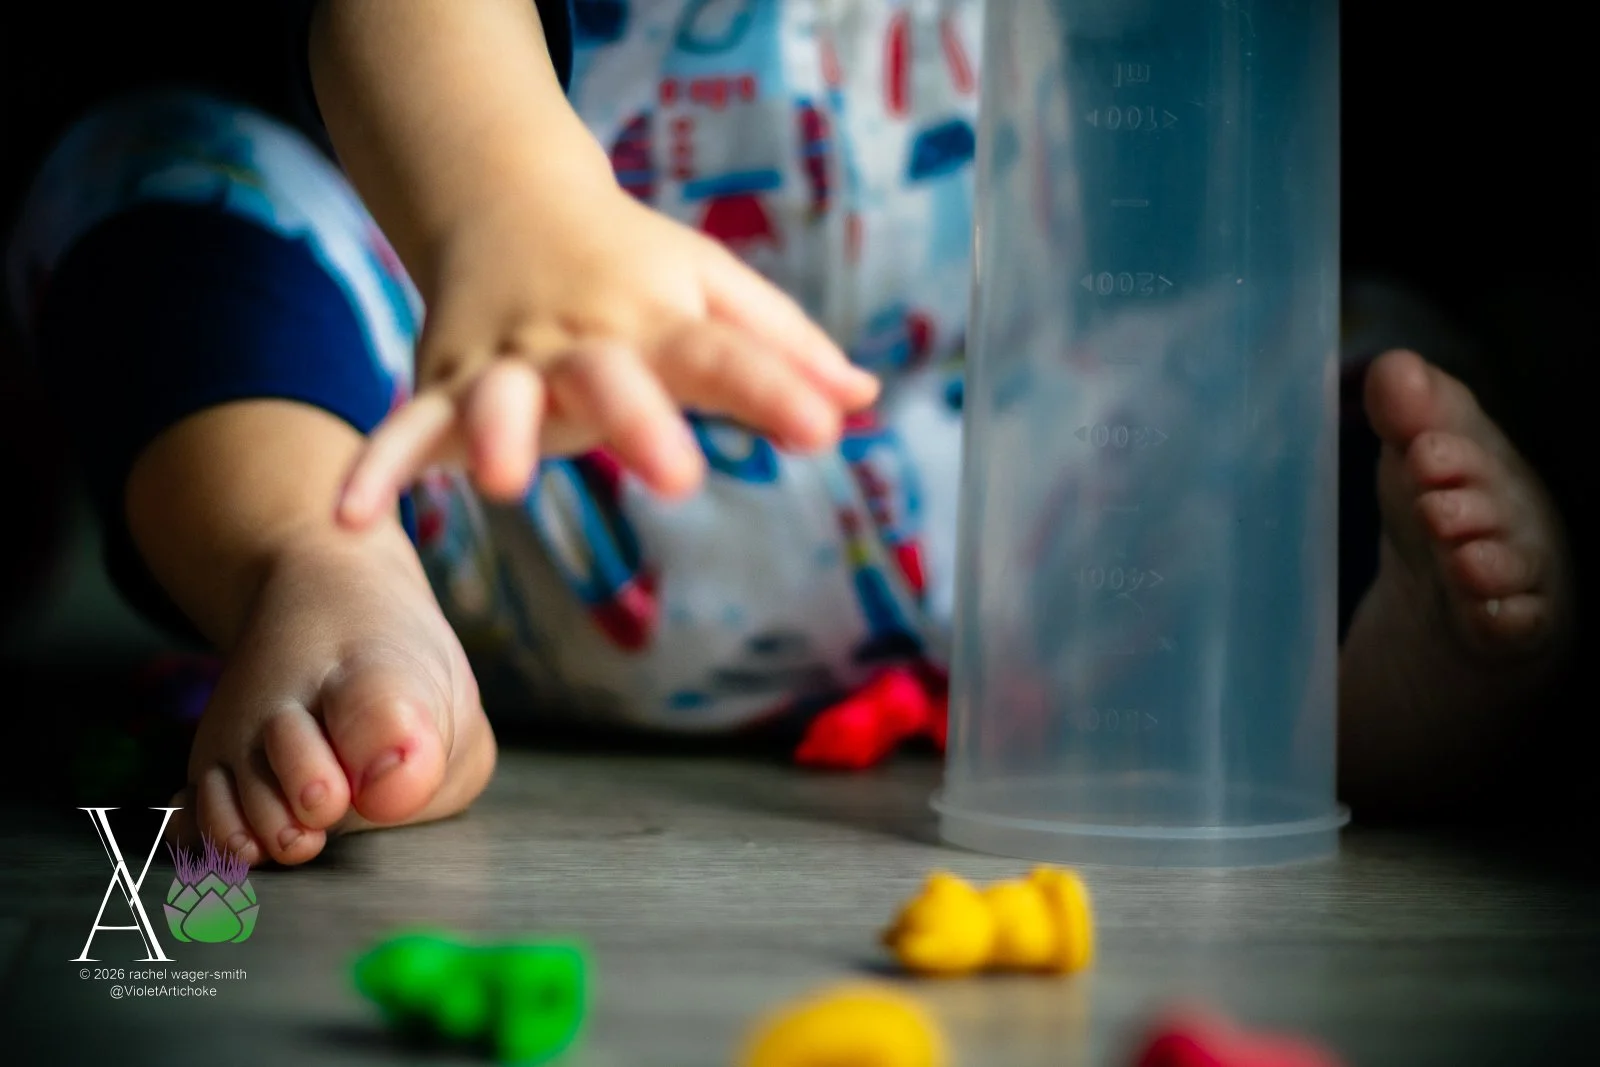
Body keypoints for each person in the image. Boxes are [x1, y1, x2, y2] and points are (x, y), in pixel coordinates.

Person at [4, 0, 1573, 866]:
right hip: (468, 454)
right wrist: (509, 208)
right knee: (168, 187)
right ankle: (318, 577)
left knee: (1335, 357)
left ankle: (1385, 677)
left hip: (983, 532)